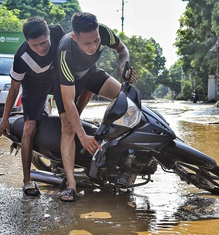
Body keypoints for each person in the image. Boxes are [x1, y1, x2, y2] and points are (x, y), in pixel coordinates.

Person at [54, 12, 136, 202]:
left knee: (125, 100)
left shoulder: (104, 32)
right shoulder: (66, 52)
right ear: (75, 38)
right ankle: (71, 185)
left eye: (96, 41)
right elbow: (68, 101)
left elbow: (122, 49)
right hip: (67, 82)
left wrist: (124, 65)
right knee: (68, 128)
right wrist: (82, 136)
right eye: (87, 43)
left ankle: (126, 158)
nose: (93, 47)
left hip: (90, 73)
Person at [0, 17, 64, 196]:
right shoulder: (21, 57)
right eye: (35, 45)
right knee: (29, 128)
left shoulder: (58, 33)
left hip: (56, 79)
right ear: (27, 42)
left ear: (49, 33)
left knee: (69, 119)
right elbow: (13, 89)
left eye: (44, 43)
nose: (41, 48)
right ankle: (27, 181)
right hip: (33, 87)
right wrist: (5, 119)